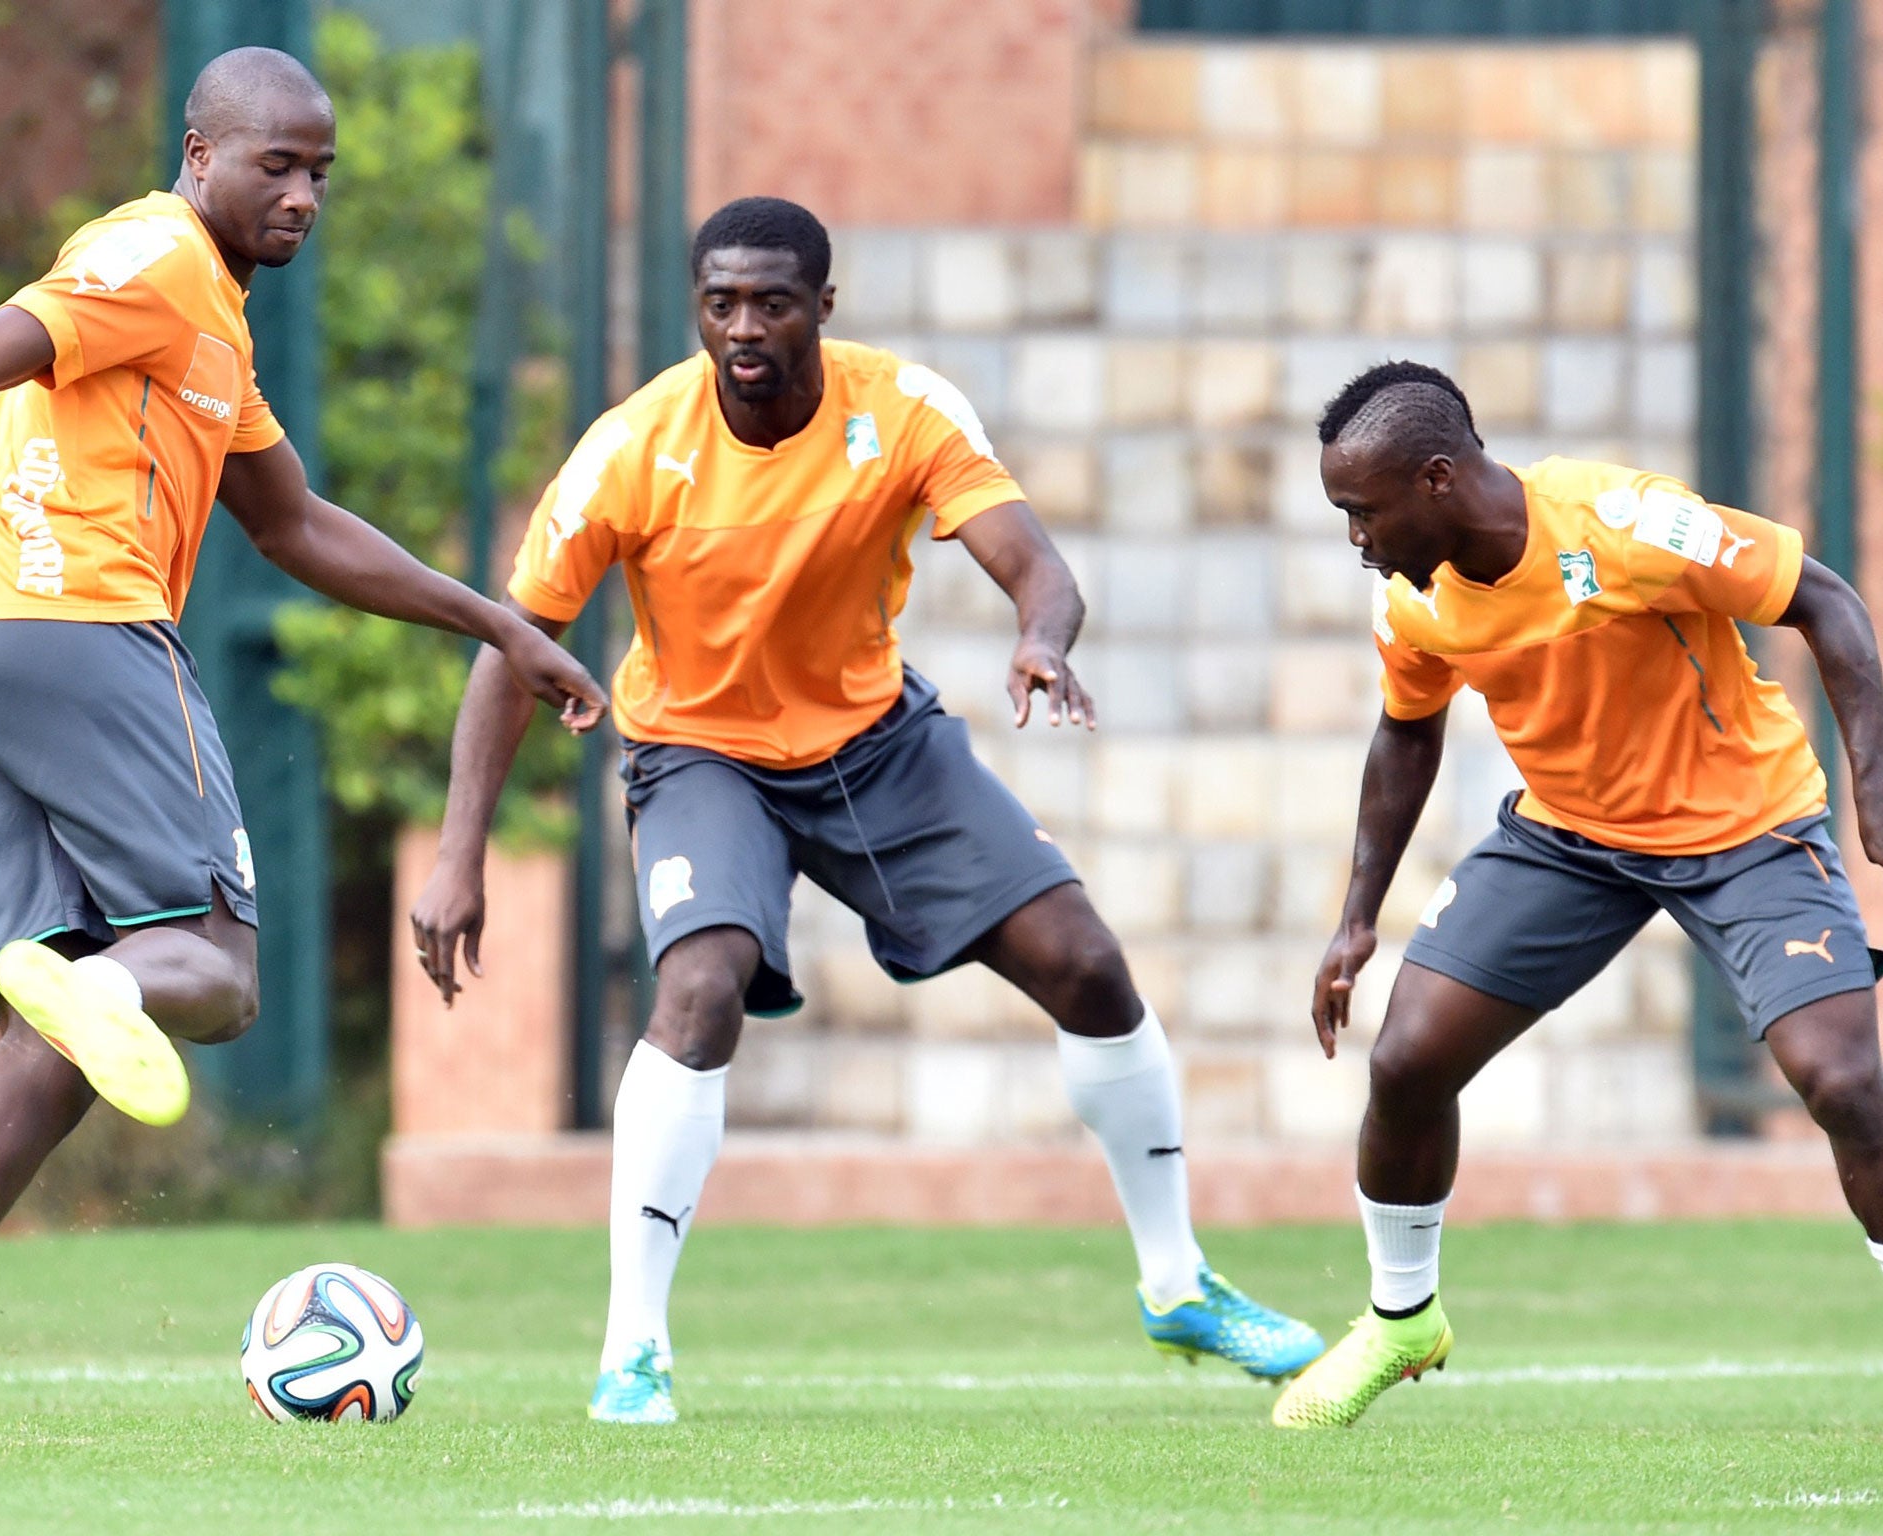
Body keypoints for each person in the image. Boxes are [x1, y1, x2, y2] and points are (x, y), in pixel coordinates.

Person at [411, 195, 1324, 1426]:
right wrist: (458, 853)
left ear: (821, 309)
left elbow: (1033, 564)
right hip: (700, 757)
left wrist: (1040, 642)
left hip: (874, 747)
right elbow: (511, 644)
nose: (744, 325)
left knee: (1087, 964)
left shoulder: (900, 409)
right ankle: (633, 1353)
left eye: (772, 302)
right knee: (697, 987)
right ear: (697, 309)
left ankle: (1178, 1286)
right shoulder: (630, 448)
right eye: (720, 301)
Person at [0, 47, 604, 1426]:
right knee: (224, 976)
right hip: (70, 631)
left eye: (321, 172)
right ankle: (114, 990)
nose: (303, 193)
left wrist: (498, 623)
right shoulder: (156, 259)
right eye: (276, 164)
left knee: (53, 1025)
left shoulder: (208, 334)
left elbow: (296, 525)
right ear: (201, 154)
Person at [1272, 360, 1883, 1430]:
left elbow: (1822, 601)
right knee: (1407, 1060)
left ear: (1433, 480)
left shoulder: (1624, 524)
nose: (1355, 540)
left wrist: (1871, 781)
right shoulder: (1414, 605)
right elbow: (1404, 732)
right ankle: (1400, 1318)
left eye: (1360, 513)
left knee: (1843, 1082)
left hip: (1744, 829)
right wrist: (1355, 915)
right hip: (1567, 839)